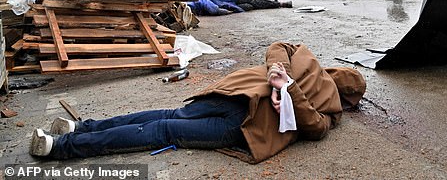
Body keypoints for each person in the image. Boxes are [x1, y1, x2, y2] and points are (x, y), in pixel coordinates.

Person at [29, 41, 366, 163]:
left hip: (232, 100)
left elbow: (277, 50)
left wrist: (285, 82)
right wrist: (283, 83)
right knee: (164, 128)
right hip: (238, 117)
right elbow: (316, 129)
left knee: (165, 117)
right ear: (348, 98)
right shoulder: (320, 85)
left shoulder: (304, 59)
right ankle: (62, 146)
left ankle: (76, 130)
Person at [187, 0, 292, 16]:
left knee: (253, 2)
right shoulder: (198, 4)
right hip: (231, 4)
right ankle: (271, 4)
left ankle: (280, 4)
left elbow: (214, 9)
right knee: (250, 6)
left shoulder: (201, 1)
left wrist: (228, 12)